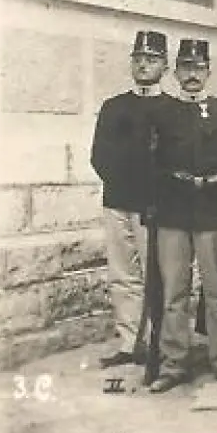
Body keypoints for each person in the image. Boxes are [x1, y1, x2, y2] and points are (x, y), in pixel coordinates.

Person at [148, 39, 217, 392]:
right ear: (175, 72)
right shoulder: (161, 112)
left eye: (199, 68)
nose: (192, 75)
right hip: (173, 214)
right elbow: (151, 164)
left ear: (209, 72)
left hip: (212, 212)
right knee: (174, 292)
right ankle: (173, 362)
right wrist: (171, 183)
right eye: (186, 68)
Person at [91, 30, 168, 369]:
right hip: (118, 201)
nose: (144, 65)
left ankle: (157, 342)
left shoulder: (171, 109)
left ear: (165, 66)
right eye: (138, 59)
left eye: (152, 59)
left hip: (154, 207)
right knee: (122, 274)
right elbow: (99, 156)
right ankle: (128, 342)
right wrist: (122, 186)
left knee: (157, 275)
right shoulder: (114, 107)